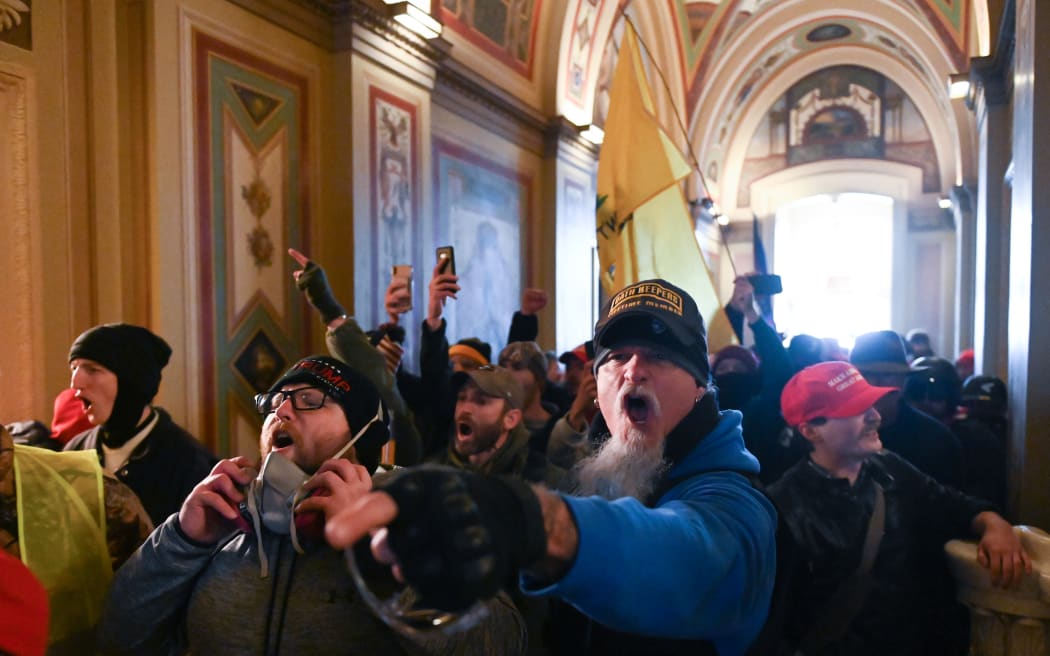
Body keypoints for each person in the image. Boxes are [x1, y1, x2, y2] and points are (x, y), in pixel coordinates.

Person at [327, 278, 778, 656]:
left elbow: (684, 556)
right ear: (598, 389)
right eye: (616, 357)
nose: (634, 369)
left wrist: (532, 521)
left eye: (661, 355)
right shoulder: (601, 477)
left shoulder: (735, 502)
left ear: (701, 385)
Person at [97, 355, 524, 655]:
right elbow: (118, 640)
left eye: (310, 399)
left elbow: (498, 644)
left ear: (361, 437)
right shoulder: (221, 520)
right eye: (275, 401)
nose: (282, 408)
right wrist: (181, 540)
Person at [771, 361, 1030, 655]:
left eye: (871, 405)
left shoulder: (888, 469)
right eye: (857, 409)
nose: (875, 416)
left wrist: (993, 524)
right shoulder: (783, 507)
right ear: (810, 431)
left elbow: (953, 505)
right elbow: (777, 624)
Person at [64, 323, 216, 526]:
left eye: (92, 369)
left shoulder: (190, 463)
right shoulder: (74, 451)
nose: (75, 383)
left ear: (132, 382)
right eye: (74, 368)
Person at [849, 330, 963, 487]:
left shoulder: (936, 439)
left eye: (887, 375)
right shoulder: (830, 433)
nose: (875, 383)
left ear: (903, 382)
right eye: (866, 374)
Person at [904, 357, 1007, 508]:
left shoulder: (975, 438)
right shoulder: (899, 432)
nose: (925, 401)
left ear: (950, 396)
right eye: (917, 392)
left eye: (936, 393)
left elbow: (985, 498)